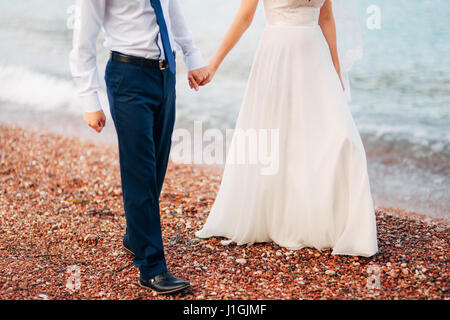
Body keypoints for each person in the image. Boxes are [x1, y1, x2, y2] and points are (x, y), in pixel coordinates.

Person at [196, 0, 378, 257]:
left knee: (340, 137)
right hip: (277, 56)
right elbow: (244, 18)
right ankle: (277, 217)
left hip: (316, 59)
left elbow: (326, 17)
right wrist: (213, 65)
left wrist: (336, 69)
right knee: (278, 138)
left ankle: (333, 222)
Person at [70, 0, 209, 294]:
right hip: (128, 77)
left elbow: (172, 12)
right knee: (140, 173)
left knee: (157, 165)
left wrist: (192, 58)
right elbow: (84, 36)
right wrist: (89, 101)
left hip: (165, 74)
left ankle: (137, 236)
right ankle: (152, 267)